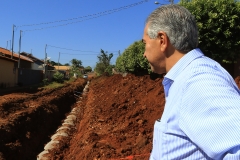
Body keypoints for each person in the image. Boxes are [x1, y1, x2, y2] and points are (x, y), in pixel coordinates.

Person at [142, 4, 240, 160]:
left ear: (162, 40)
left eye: (145, 43)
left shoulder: (196, 81)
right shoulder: (187, 78)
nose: (144, 54)